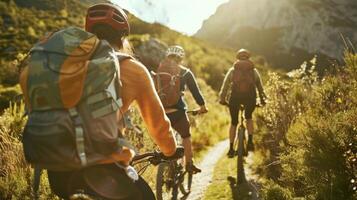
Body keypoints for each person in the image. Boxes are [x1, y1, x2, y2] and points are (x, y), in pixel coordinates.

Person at [46, 3, 180, 199]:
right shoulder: (132, 69)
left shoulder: (67, 63)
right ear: (123, 36)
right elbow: (158, 125)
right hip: (103, 172)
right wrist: (170, 151)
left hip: (59, 173)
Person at [155, 45, 208, 174]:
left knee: (162, 136)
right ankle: (189, 164)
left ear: (167, 56)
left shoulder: (159, 70)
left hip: (160, 112)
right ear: (181, 58)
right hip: (177, 112)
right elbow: (196, 92)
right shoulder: (185, 72)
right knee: (186, 136)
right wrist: (202, 107)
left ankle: (162, 162)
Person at [219, 49, 266, 157]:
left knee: (234, 122)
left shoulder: (233, 70)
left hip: (235, 98)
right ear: (248, 58)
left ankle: (231, 149)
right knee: (248, 117)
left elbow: (225, 86)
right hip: (250, 98)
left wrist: (222, 99)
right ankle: (250, 141)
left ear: (237, 58)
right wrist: (262, 100)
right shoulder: (253, 71)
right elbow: (260, 87)